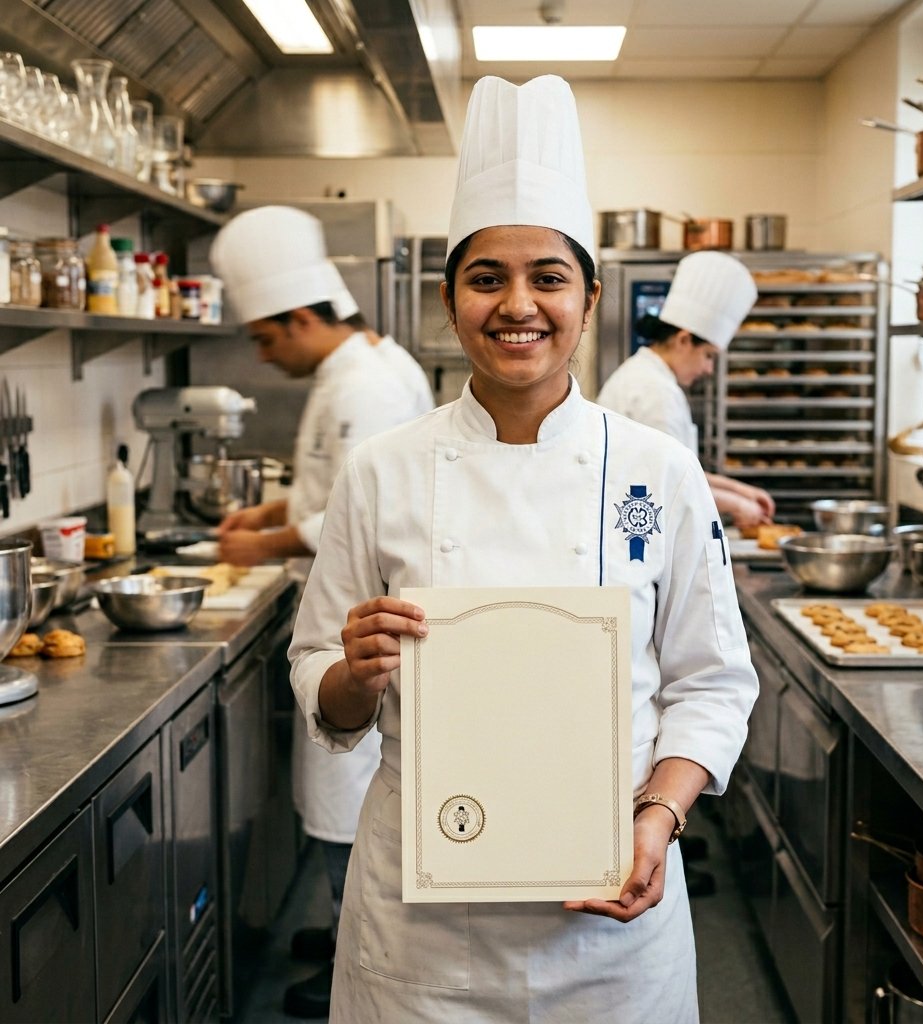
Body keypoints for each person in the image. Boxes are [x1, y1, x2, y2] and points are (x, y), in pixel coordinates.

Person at [289, 75, 759, 1023]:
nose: (518, 305)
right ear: (449, 298)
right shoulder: (381, 470)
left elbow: (712, 685)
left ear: (589, 296)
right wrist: (355, 674)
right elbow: (317, 676)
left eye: (548, 277)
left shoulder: (658, 472)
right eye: (485, 278)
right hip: (423, 929)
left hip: (612, 922)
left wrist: (660, 816)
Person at [209, 206, 432, 1019]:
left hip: (364, 626)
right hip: (345, 616)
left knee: (350, 789)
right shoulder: (351, 371)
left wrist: (260, 544)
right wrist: (274, 514)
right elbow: (325, 490)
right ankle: (346, 932)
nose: (265, 356)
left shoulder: (368, 385)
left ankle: (360, 948)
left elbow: (352, 516)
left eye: (267, 339)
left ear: (303, 318)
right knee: (340, 781)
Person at [597, 251, 775, 531]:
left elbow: (682, 469)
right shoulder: (653, 390)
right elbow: (669, 481)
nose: (708, 369)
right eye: (708, 356)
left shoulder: (652, 378)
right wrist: (738, 505)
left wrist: (741, 491)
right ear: (683, 340)